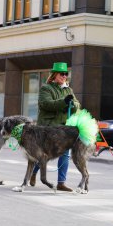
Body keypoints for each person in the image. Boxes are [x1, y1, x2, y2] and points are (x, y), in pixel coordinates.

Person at [30, 62, 80, 192]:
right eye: (61, 74)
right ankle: (34, 173)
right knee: (44, 154)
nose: (64, 76)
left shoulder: (68, 90)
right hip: (48, 128)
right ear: (54, 75)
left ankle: (61, 183)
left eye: (66, 74)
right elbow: (47, 104)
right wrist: (64, 102)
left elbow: (77, 106)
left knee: (65, 154)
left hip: (64, 129)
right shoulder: (46, 89)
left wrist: (73, 104)